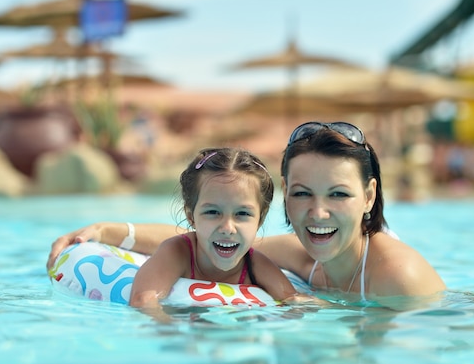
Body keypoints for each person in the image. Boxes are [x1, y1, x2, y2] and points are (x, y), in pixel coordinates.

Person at [48, 122, 446, 306]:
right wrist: (105, 230)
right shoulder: (299, 252)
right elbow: (198, 239)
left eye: (339, 194)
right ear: (286, 196)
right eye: (303, 193)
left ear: (369, 196)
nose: (318, 212)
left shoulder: (399, 279)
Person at [123, 147, 301, 314]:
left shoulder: (256, 266)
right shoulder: (178, 253)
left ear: (260, 219)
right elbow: (143, 300)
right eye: (213, 212)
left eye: (242, 213)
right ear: (191, 216)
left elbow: (298, 302)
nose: (227, 228)